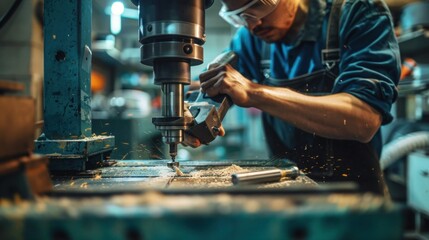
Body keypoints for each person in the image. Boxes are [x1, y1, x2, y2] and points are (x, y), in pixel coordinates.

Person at [185, 0, 400, 195]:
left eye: (258, 9)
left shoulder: (356, 12)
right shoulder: (250, 40)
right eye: (239, 17)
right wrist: (191, 113)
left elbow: (363, 120)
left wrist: (254, 93)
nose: (253, 25)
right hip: (287, 191)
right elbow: (217, 85)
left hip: (355, 200)